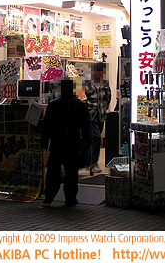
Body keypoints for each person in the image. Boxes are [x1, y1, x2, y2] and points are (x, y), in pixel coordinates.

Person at [41, 78, 92, 207]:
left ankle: (49, 196)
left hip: (56, 142)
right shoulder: (80, 105)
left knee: (53, 171)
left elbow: (46, 126)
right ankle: (70, 198)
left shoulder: (53, 105)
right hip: (73, 142)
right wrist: (87, 142)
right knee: (71, 173)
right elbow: (86, 126)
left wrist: (44, 141)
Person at [84, 63, 112, 173]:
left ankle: (88, 161)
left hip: (101, 114)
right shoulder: (87, 83)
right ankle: (93, 162)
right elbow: (83, 97)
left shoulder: (105, 84)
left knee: (95, 137)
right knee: (96, 137)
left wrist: (105, 107)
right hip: (91, 114)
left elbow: (108, 97)